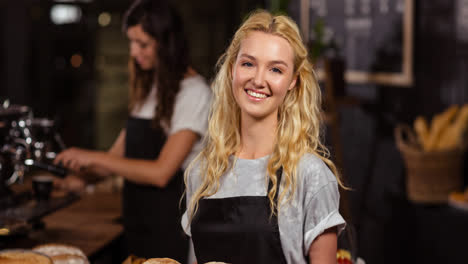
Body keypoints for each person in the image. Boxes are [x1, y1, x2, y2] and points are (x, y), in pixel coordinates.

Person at [181, 10, 346, 264]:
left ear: (292, 81)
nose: (258, 80)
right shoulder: (203, 172)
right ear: (232, 69)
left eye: (275, 70)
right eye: (248, 63)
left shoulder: (309, 175)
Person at [54, 0, 212, 262]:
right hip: (137, 222)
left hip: (171, 228)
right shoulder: (150, 91)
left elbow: (161, 173)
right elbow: (115, 158)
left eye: (143, 44)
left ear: (167, 43)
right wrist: (79, 179)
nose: (134, 52)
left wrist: (91, 157)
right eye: (131, 42)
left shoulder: (194, 94)